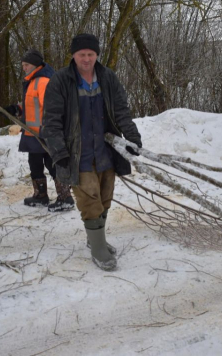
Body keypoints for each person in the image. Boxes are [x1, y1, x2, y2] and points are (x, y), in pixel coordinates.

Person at [41, 34, 142, 271]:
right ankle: (98, 249)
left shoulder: (108, 78)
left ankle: (95, 238)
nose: (86, 59)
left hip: (105, 150)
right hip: (77, 153)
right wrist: (59, 152)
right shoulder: (60, 81)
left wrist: (133, 137)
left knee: (105, 196)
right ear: (73, 55)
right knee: (90, 199)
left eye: (90, 54)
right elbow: (51, 120)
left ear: (97, 55)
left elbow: (121, 111)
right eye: (81, 54)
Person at [5, 49, 74, 212]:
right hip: (32, 133)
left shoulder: (42, 81)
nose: (24, 68)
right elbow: (33, 106)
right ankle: (40, 195)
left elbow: (53, 108)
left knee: (52, 164)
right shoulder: (32, 81)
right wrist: (17, 109)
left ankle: (65, 198)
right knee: (34, 164)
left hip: (44, 133)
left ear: (36, 65)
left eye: (27, 65)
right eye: (22, 65)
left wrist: (51, 130)